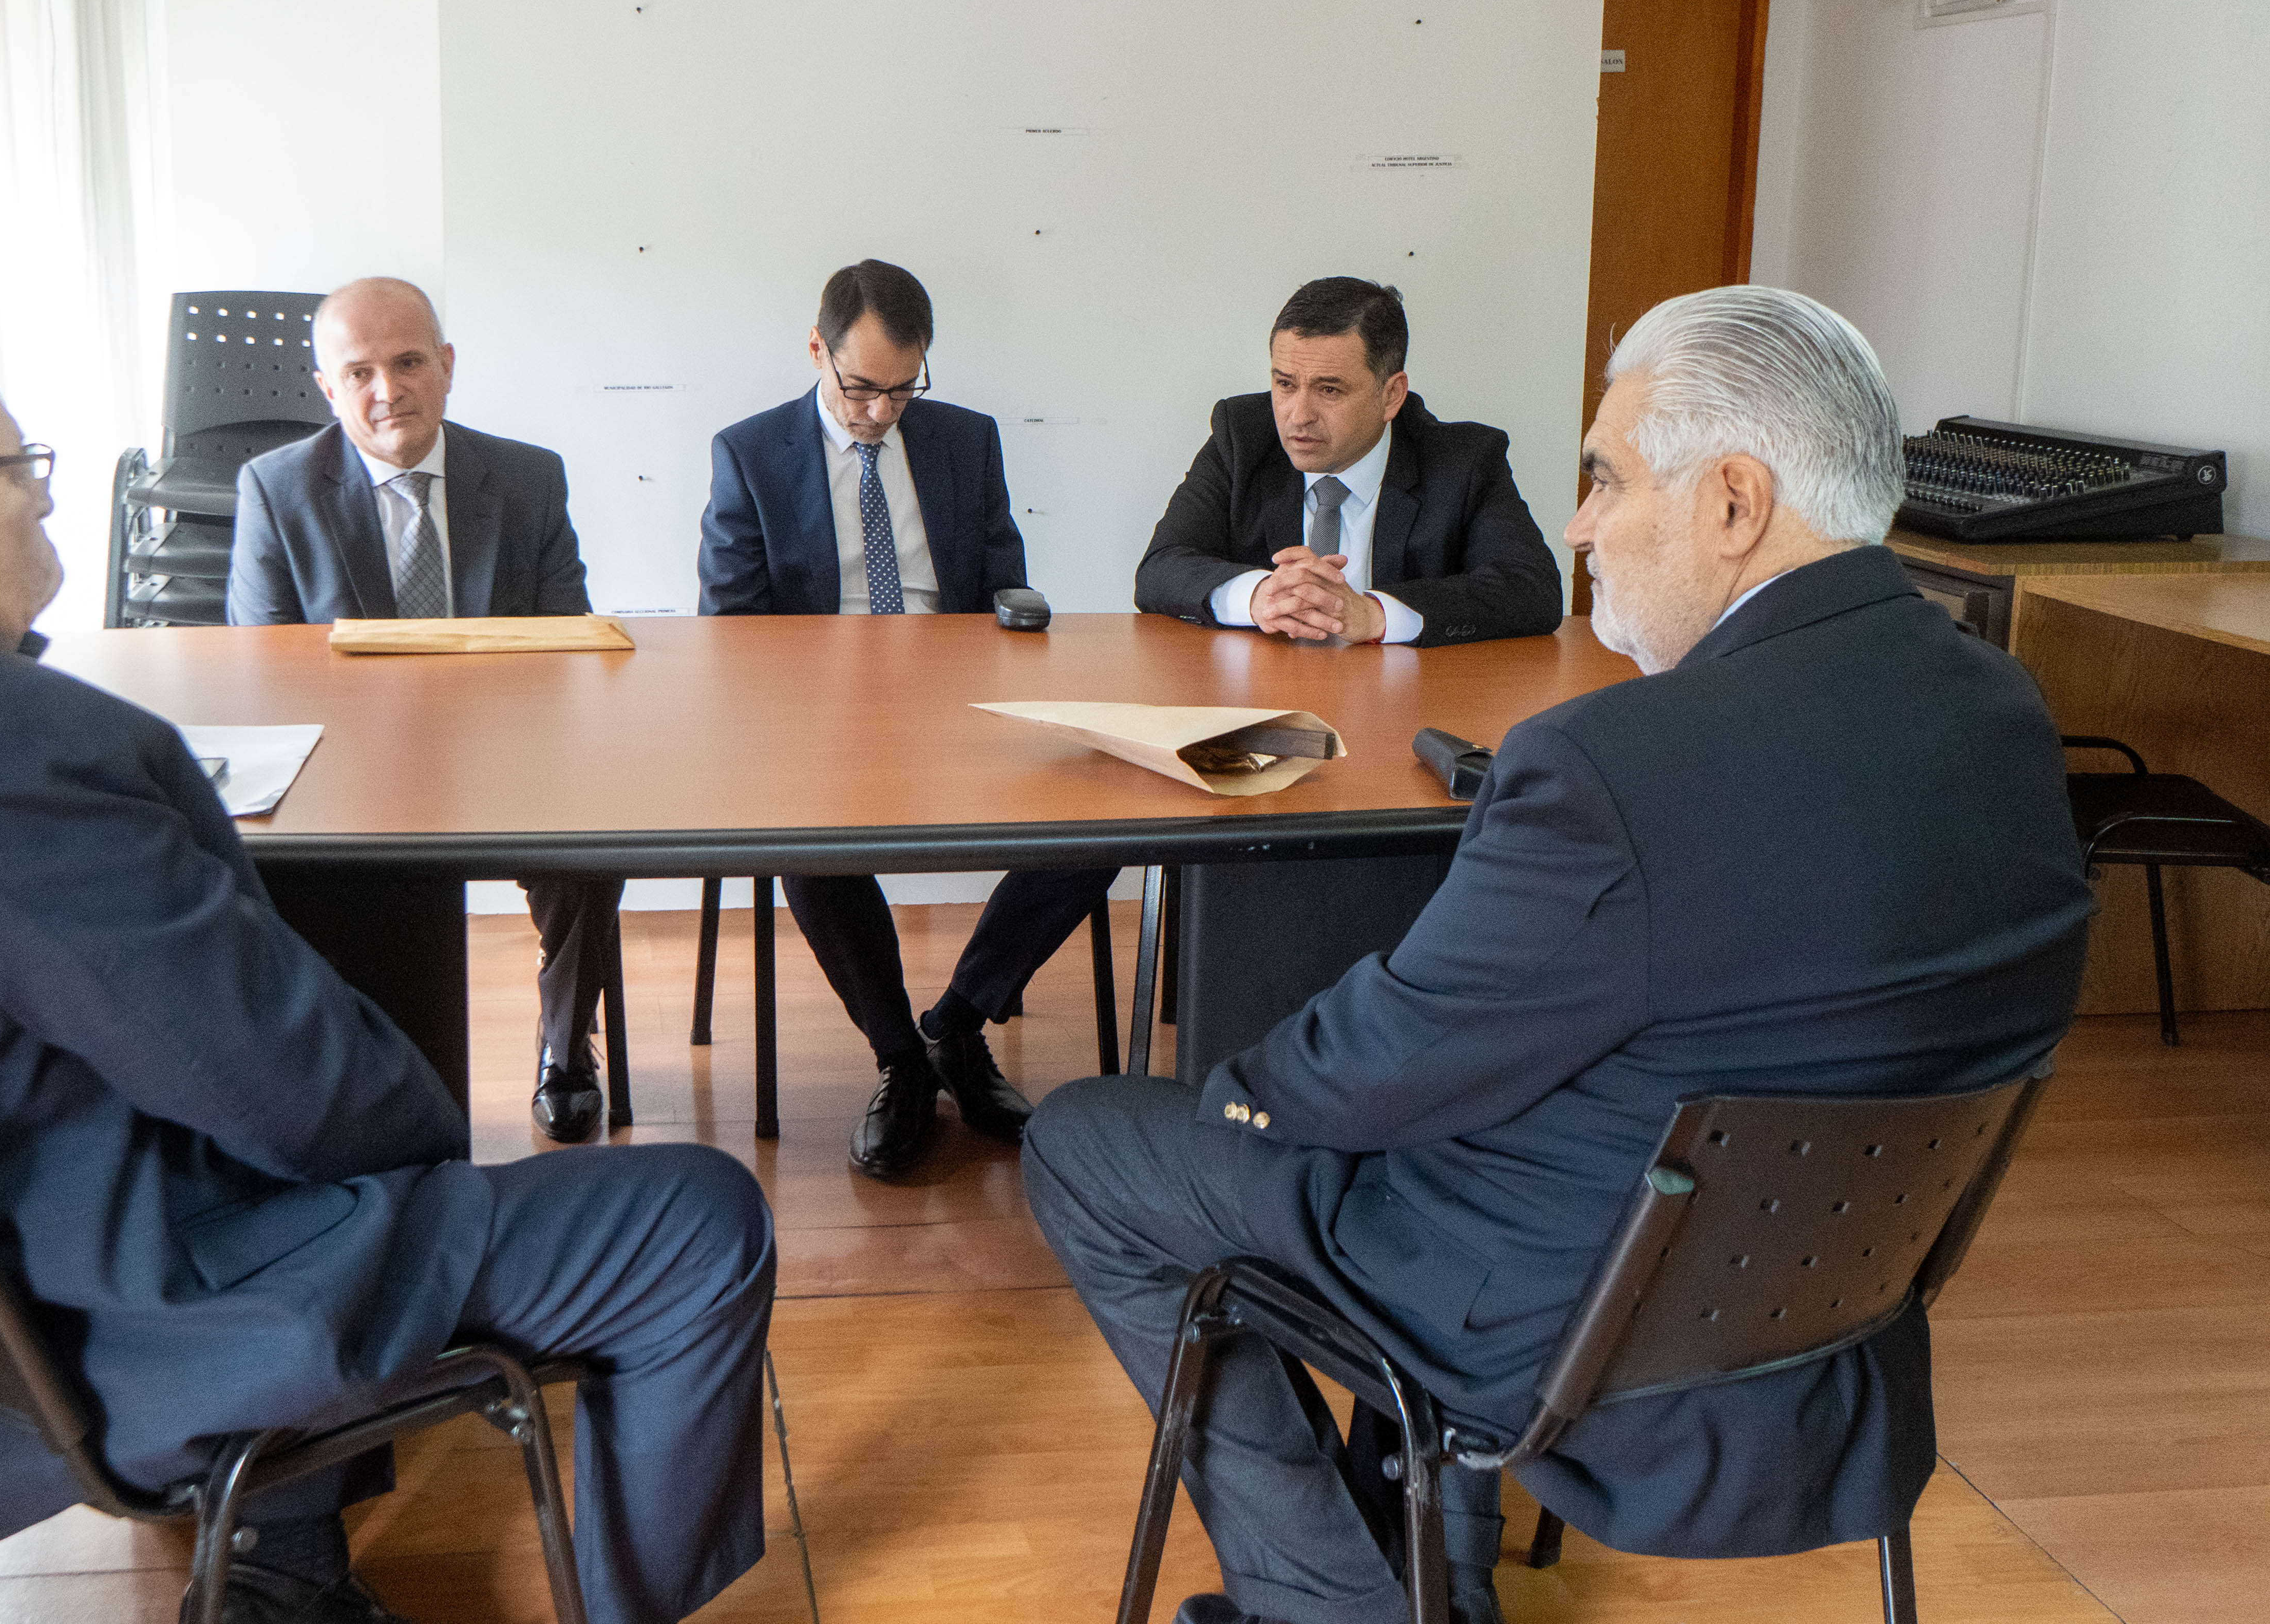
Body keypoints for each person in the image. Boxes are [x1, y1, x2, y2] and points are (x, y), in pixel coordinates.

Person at [0, 306, 774, 1624]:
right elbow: (312, 1099)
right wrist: (425, 1136)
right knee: (697, 1217)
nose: (48, 510)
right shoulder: (16, 750)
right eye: (19, 470)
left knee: (252, 1128)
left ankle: (283, 1580)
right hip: (130, 1328)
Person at [1021, 286, 2093, 1624]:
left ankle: (1336, 1603)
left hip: (1576, 1327)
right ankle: (1419, 1570)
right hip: (1836, 1319)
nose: (1582, 525)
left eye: (1605, 477)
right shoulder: (2005, 711)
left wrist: (1244, 1085)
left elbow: (1374, 1074)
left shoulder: (1611, 766)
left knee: (1091, 1140)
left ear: (1733, 502)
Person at [936, 277, 1568, 1052]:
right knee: (1101, 802)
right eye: (1283, 382)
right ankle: (956, 1022)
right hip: (1257, 733)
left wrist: (1372, 613)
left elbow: (1533, 591)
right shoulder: (1243, 435)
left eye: (1329, 389)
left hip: (1402, 741)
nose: (1297, 414)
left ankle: (1419, 1039)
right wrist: (1260, 594)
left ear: (1393, 391)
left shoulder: (1463, 459)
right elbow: (1161, 569)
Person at [228, 277, 627, 1145]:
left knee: (593, 847)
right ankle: (366, 1070)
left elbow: (567, 644)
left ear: (446, 366)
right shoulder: (275, 489)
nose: (388, 391)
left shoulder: (526, 478)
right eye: (359, 372)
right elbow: (264, 675)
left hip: (507, 753)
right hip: (353, 769)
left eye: (408, 362)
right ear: (326, 389)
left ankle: (566, 1048)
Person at [696, 258, 1036, 1179]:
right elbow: (730, 632)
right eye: (861, 387)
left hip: (954, 699)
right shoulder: (750, 453)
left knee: (1100, 821)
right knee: (805, 844)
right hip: (819, 714)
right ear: (817, 349)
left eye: (902, 388)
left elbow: (1005, 580)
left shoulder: (967, 441)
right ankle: (900, 1060)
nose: (881, 411)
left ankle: (956, 1026)